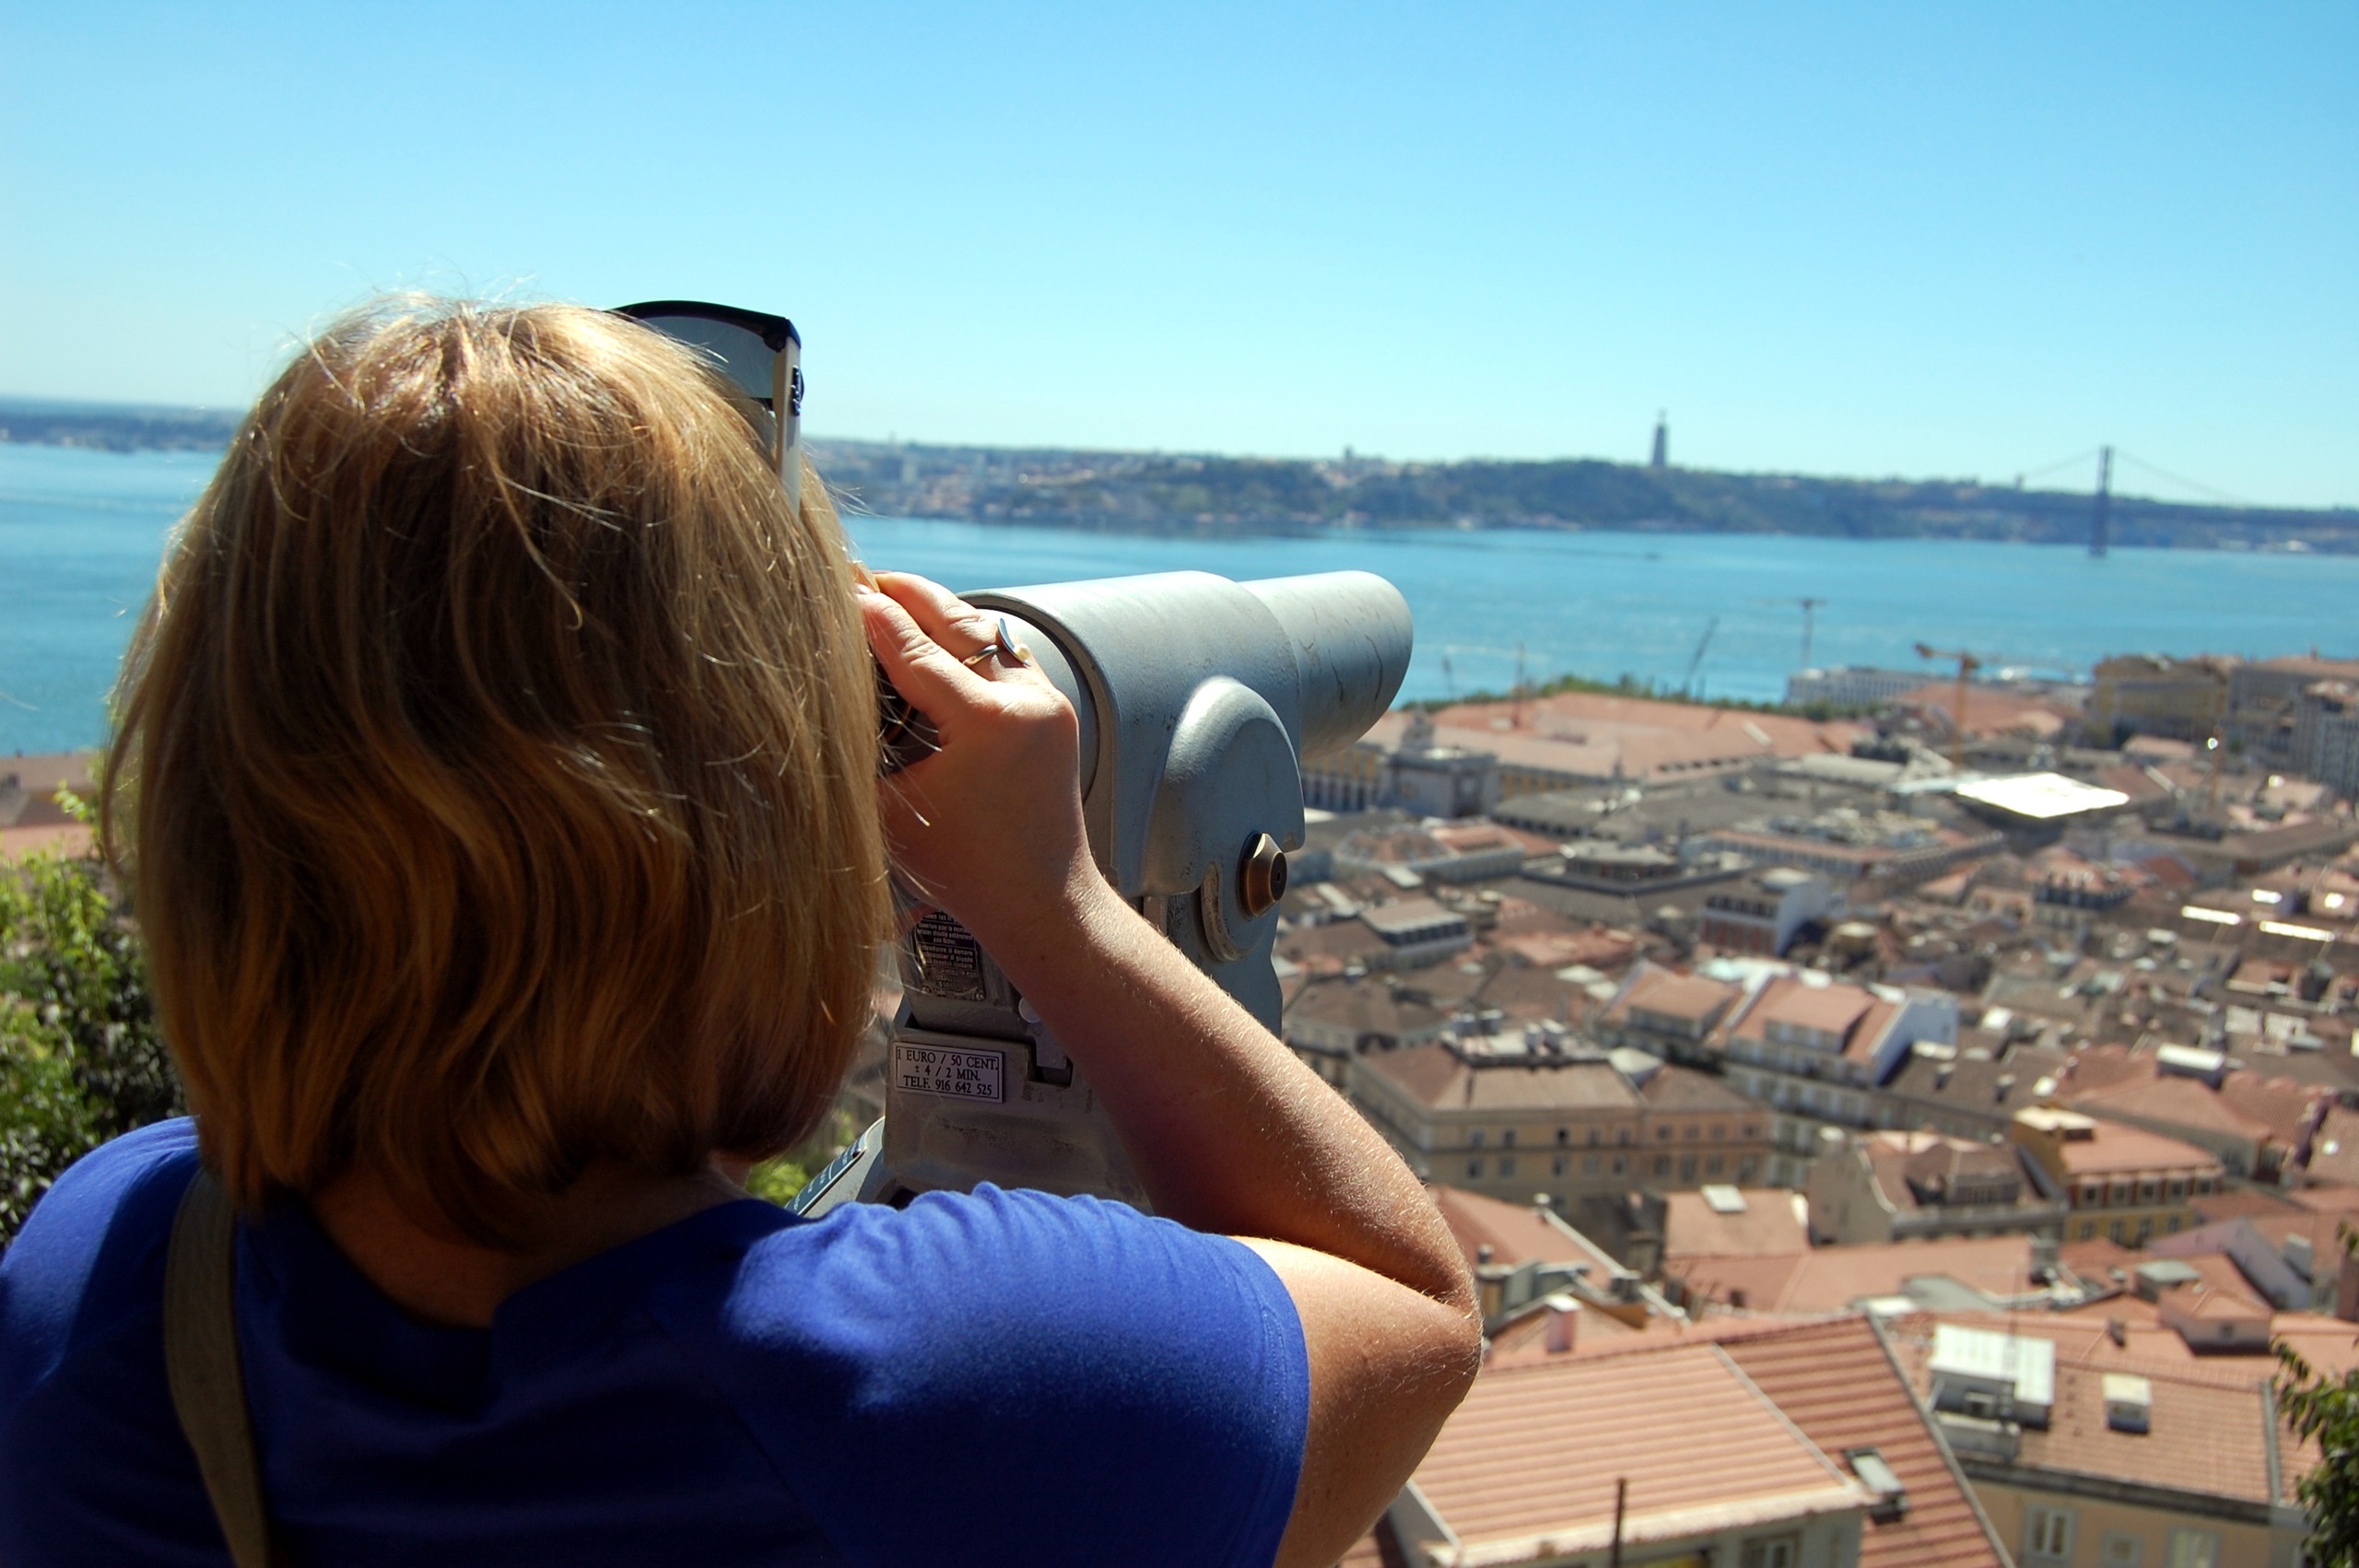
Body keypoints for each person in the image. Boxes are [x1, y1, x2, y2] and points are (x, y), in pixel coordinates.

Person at [0, 299, 1478, 1566]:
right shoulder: (942, 1391)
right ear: (759, 828)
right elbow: (1412, 1316)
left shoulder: (107, 1272)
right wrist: (1054, 903)